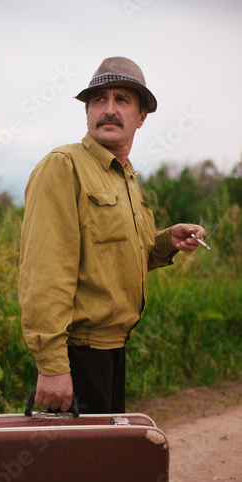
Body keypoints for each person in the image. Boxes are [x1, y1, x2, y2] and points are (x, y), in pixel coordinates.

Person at [18, 56, 206, 414]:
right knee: (80, 467)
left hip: (114, 350)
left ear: (140, 117)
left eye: (122, 99)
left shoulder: (126, 177)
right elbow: (45, 271)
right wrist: (52, 364)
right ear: (87, 112)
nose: (109, 109)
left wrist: (168, 240)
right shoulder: (63, 166)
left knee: (105, 464)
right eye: (99, 99)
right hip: (79, 352)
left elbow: (117, 257)